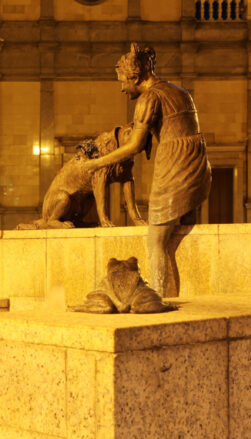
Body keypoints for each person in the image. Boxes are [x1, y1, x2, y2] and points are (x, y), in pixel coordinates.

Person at [84, 42, 212, 297]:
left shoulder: (149, 98)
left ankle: (157, 299)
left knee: (155, 241)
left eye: (122, 80)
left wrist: (98, 162)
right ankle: (175, 296)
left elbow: (134, 146)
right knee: (176, 235)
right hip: (198, 167)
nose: (122, 88)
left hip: (175, 165)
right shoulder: (180, 92)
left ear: (136, 75)